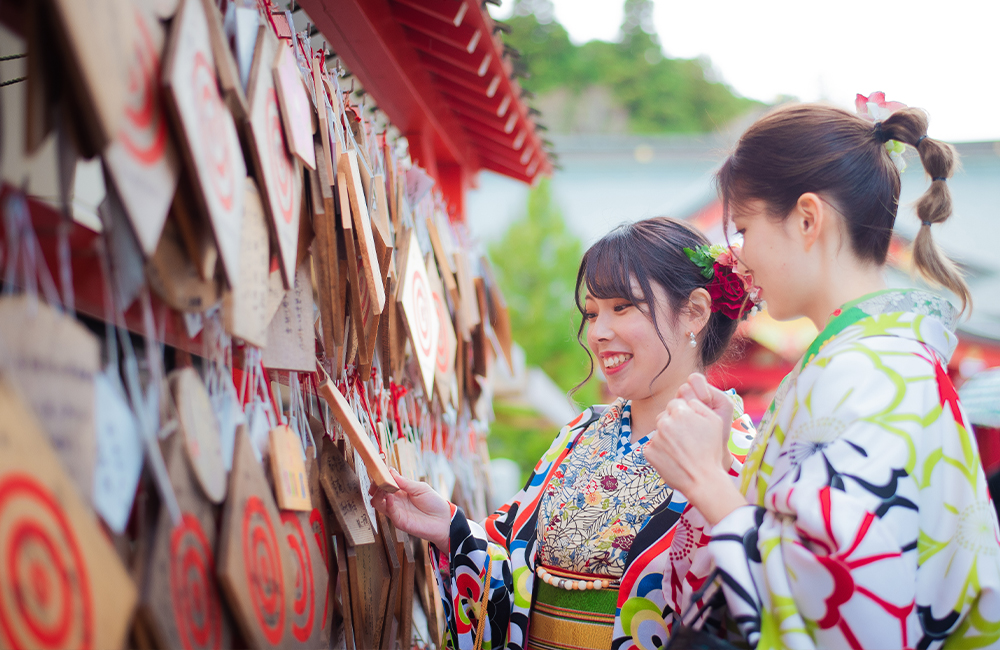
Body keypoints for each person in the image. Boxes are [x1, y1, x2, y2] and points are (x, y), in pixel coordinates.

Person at [645, 99, 1000, 649]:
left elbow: (852, 596)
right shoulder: (872, 358)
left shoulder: (868, 370)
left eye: (742, 228)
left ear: (808, 219)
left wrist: (708, 482)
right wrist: (720, 465)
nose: (736, 256)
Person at [370, 217, 761, 650]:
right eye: (592, 312)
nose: (598, 332)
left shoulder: (742, 456)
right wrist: (451, 528)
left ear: (696, 312)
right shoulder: (579, 434)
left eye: (622, 306)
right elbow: (512, 562)